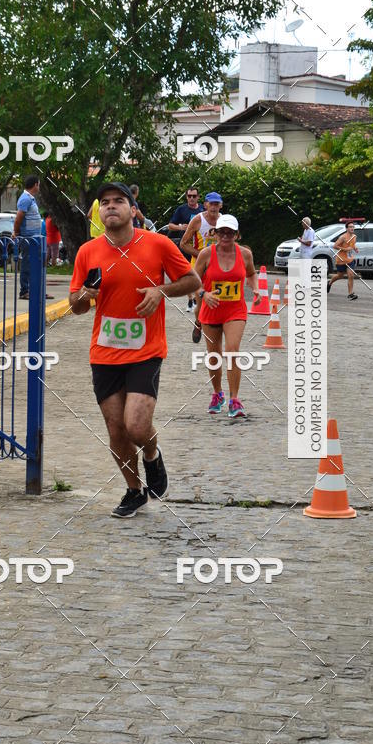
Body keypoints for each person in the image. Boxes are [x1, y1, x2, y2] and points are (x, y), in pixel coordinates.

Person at [69, 182, 201, 519]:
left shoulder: (157, 244)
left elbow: (192, 282)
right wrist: (84, 294)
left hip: (146, 350)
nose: (111, 207)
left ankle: (152, 455)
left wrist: (160, 290)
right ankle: (133, 490)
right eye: (105, 203)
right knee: (116, 430)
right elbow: (77, 307)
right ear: (99, 212)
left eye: (118, 202)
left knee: (137, 427)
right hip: (105, 352)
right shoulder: (88, 251)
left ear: (132, 209)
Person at [194, 215, 259, 417]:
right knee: (214, 357)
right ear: (215, 233)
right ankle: (217, 394)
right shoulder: (206, 254)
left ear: (237, 234)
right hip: (210, 309)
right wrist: (204, 294)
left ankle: (234, 400)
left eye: (230, 232)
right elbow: (192, 282)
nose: (225, 235)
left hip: (235, 310)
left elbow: (251, 274)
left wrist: (256, 289)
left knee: (232, 350)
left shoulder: (245, 254)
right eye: (221, 231)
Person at [180, 193, 223, 340]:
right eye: (211, 204)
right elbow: (183, 243)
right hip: (198, 264)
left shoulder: (224, 221)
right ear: (205, 205)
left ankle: (218, 326)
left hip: (217, 264)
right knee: (201, 301)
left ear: (221, 206)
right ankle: (198, 322)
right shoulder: (198, 220)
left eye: (217, 204)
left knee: (220, 298)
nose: (214, 207)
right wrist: (202, 254)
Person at [13, 175, 53, 300]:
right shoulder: (25, 198)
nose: (39, 187)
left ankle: (38, 290)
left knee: (39, 265)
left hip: (36, 238)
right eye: (39, 184)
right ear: (35, 184)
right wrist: (16, 231)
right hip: (28, 238)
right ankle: (24, 291)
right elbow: (19, 217)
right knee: (27, 264)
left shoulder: (30, 198)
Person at [169, 187, 202, 309]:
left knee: (200, 272)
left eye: (194, 196)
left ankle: (200, 296)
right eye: (189, 196)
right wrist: (181, 227)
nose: (192, 198)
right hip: (185, 245)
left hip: (199, 246)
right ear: (186, 197)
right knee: (186, 272)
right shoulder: (181, 209)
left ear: (198, 197)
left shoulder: (202, 209)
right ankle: (190, 299)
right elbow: (170, 225)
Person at [327, 221, 359, 300]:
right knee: (340, 276)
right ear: (347, 228)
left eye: (353, 227)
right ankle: (329, 283)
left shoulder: (354, 236)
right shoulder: (343, 237)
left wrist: (355, 248)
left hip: (349, 259)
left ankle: (350, 294)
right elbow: (335, 246)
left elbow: (352, 245)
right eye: (350, 227)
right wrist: (345, 249)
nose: (352, 228)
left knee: (351, 275)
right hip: (341, 260)